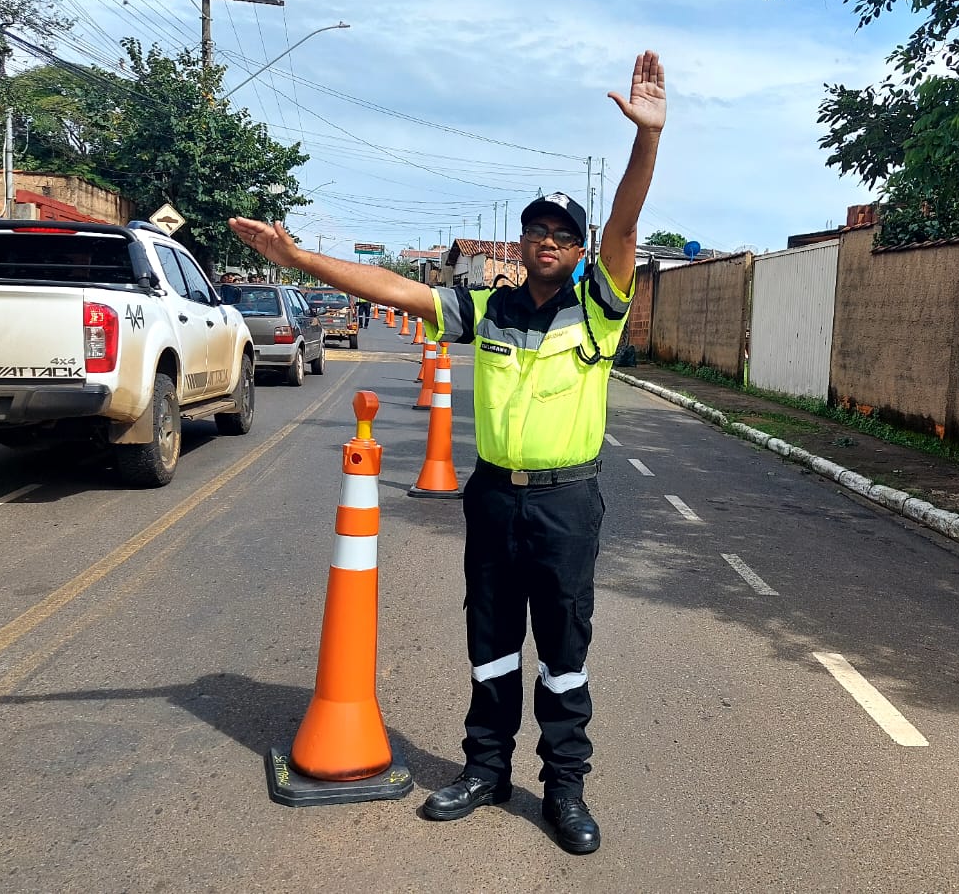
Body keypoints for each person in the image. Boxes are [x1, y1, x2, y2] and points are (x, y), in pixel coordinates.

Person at [229, 50, 666, 856]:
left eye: (563, 233)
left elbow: (627, 227)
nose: (547, 239)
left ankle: (563, 786)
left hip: (568, 502)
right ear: (520, 241)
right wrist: (298, 262)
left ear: (577, 252)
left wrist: (647, 141)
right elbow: (388, 287)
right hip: (496, 494)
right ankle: (485, 769)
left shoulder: (600, 309)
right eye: (537, 228)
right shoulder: (483, 309)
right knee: (492, 640)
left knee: (564, 655)